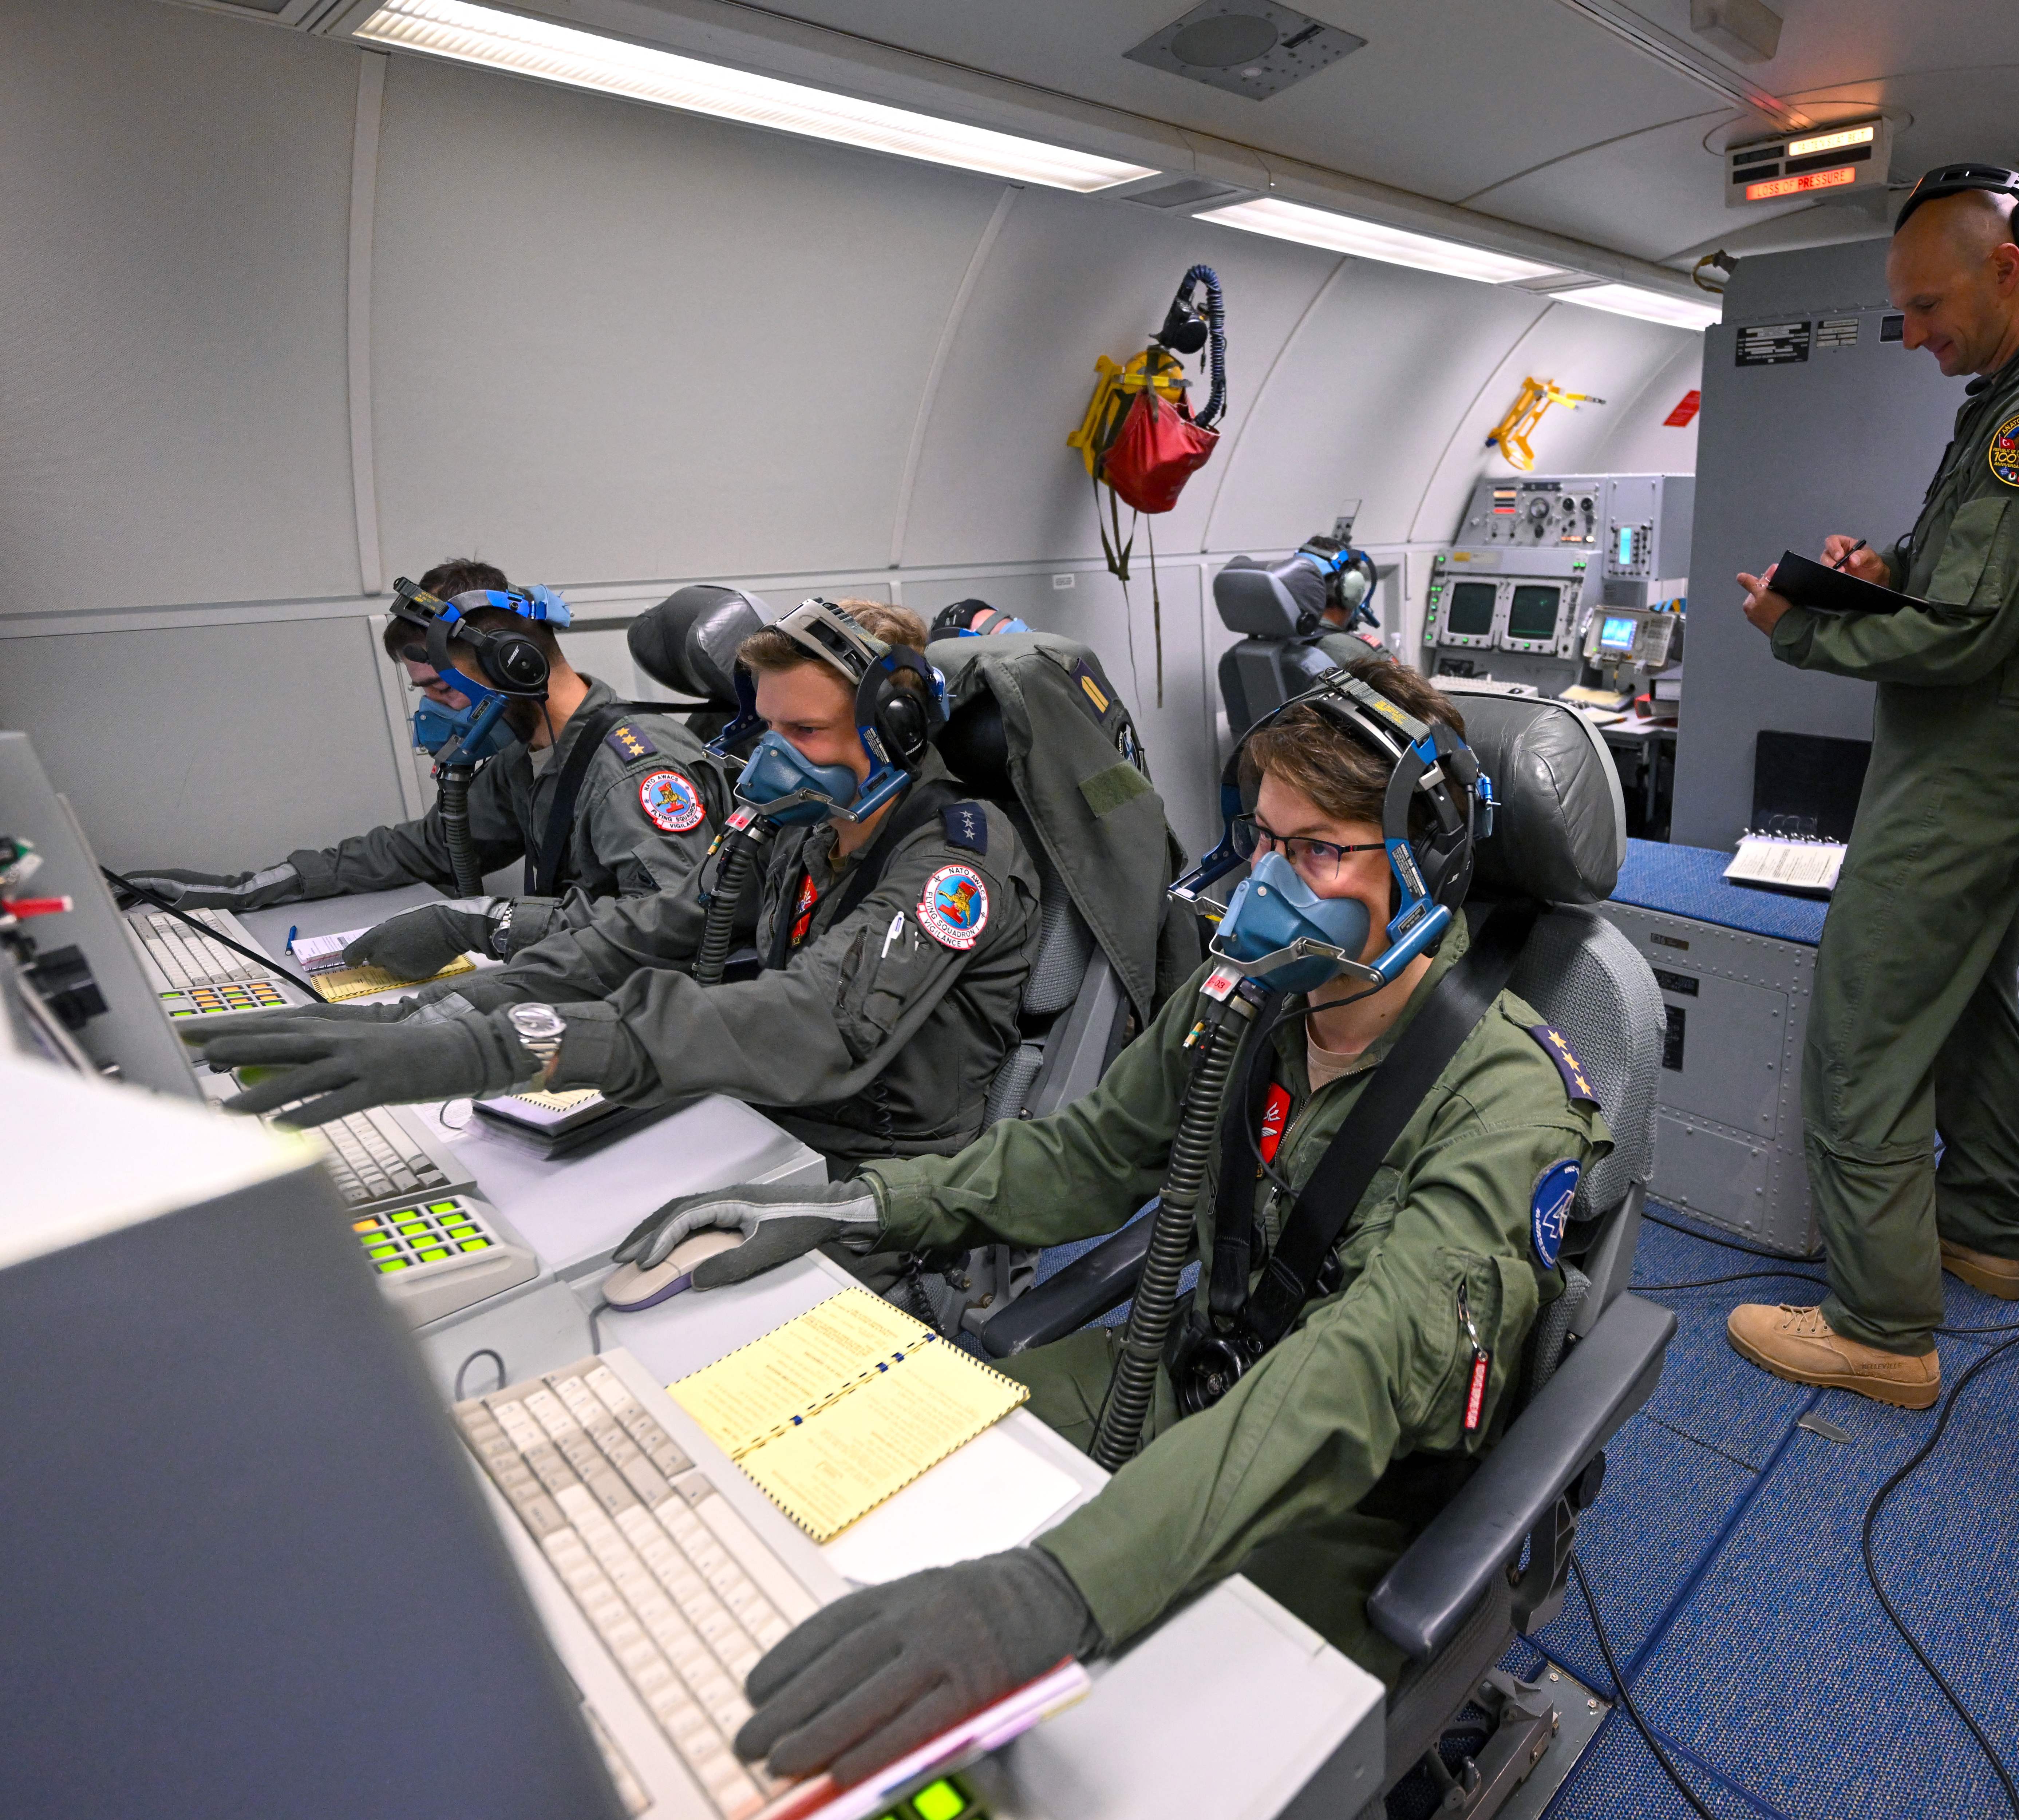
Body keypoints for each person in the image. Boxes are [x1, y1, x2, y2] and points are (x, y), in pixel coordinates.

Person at [611, 659, 1607, 1786]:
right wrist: (855, 1204)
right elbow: (1079, 1159)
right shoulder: (1248, 996)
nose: (1265, 889)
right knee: (870, 1472)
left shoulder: (1506, 1097)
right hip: (1196, 1368)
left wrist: (1062, 1589)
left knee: (1125, 1750)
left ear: (1424, 868)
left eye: (1318, 851)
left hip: (1359, 1485)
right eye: (1262, 843)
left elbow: (1359, 1368)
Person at [1723, 165, 2019, 1408]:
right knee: (1967, 1008)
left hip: (1966, 750)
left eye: (1923, 308)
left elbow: (1965, 631)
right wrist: (1880, 567)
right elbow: (1966, 569)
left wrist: (1798, 630)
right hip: (1974, 748)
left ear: (2007, 267)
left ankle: (1878, 1327)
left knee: (1862, 1028)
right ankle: (1985, 1233)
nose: (1912, 336)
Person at [197, 601, 1042, 1170]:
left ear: (895, 730)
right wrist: (440, 1013)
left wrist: (508, 1047)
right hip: (777, 1114)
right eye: (770, 726)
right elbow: (643, 930)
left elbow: (818, 1015)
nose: (775, 753)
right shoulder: (805, 825)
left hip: (881, 1163)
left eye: (806, 729)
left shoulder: (957, 858)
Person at [122, 558, 721, 982]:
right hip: (588, 979)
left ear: (514, 667)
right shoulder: (528, 755)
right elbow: (428, 848)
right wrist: (240, 889)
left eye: (441, 686)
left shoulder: (632, 771)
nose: (433, 707)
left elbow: (672, 923)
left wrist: (483, 922)